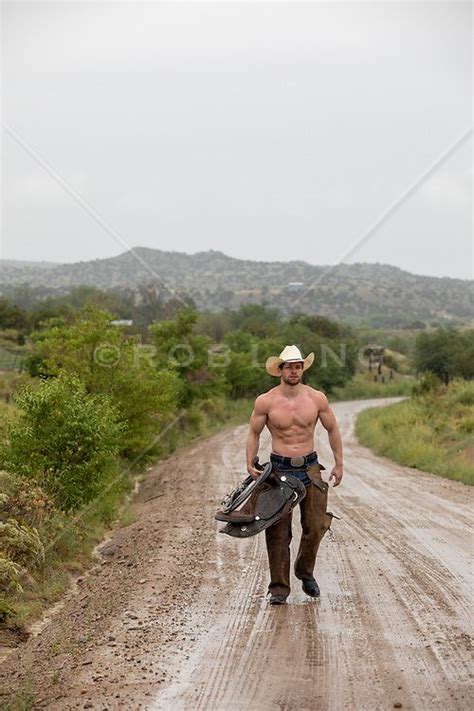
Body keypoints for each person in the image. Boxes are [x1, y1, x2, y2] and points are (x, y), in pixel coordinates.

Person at [246, 345, 344, 605]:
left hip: (310, 468)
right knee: (278, 531)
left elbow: (333, 428)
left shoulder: (316, 398)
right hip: (279, 470)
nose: (294, 370)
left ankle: (304, 571)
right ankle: (279, 588)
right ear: (280, 370)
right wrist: (249, 461)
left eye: (298, 366)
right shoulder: (266, 400)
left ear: (303, 369)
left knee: (316, 524)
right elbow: (254, 432)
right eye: (289, 366)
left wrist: (339, 463)